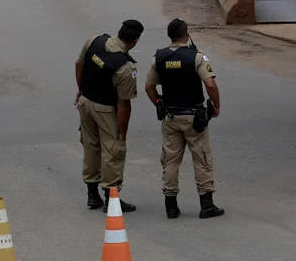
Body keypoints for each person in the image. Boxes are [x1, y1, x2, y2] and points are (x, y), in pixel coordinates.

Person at [144, 18, 223, 219]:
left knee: (170, 160)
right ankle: (206, 205)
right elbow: (211, 85)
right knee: (202, 158)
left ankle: (170, 205)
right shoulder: (196, 57)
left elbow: (149, 87)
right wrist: (216, 106)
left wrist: (159, 104)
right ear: (186, 35)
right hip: (194, 117)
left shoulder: (158, 58)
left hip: (170, 116)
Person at [75, 19, 143, 213]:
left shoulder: (94, 41)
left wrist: (81, 90)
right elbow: (124, 103)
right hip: (105, 109)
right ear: (135, 41)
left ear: (119, 31)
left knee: (90, 146)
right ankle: (111, 199)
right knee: (113, 150)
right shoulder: (125, 67)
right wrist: (122, 133)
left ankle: (92, 194)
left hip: (85, 103)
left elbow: (79, 64)